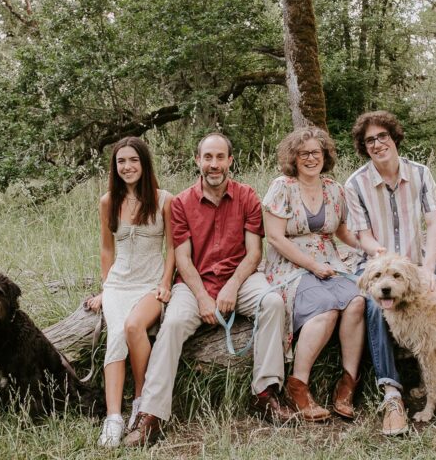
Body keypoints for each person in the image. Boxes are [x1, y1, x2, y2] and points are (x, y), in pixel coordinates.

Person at [123, 132, 290, 447]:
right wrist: (202, 298)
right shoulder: (182, 203)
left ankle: (264, 393)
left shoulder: (247, 196)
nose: (214, 165)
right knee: (171, 324)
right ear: (197, 160)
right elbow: (182, 258)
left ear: (230, 160)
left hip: (239, 278)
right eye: (208, 157)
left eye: (220, 157)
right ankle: (153, 415)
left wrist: (231, 286)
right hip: (194, 281)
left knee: (272, 303)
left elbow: (254, 253)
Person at [344, 111, 436, 436]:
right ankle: (392, 395)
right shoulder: (355, 184)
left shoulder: (420, 173)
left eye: (382, 136)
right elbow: (361, 234)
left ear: (394, 137)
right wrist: (379, 257)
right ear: (364, 148)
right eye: (369, 141)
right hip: (377, 264)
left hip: (415, 263)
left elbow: (434, 223)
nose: (377, 144)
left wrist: (427, 267)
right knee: (376, 308)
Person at [263, 127, 365, 421]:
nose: (310, 158)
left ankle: (347, 383)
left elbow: (343, 231)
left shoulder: (334, 189)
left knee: (358, 300)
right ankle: (298, 385)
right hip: (291, 265)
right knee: (327, 309)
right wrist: (312, 265)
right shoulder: (282, 186)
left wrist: (371, 245)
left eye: (316, 152)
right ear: (293, 157)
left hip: (331, 262)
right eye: (303, 153)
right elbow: (275, 238)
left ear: (325, 156)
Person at [85, 136, 175, 448]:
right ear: (115, 166)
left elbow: (173, 249)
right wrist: (104, 290)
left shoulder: (165, 199)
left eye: (133, 160)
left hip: (151, 283)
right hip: (118, 284)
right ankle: (113, 418)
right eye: (121, 161)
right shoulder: (108, 201)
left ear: (144, 163)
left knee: (134, 326)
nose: (127, 166)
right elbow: (106, 250)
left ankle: (140, 402)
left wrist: (166, 283)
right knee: (115, 339)